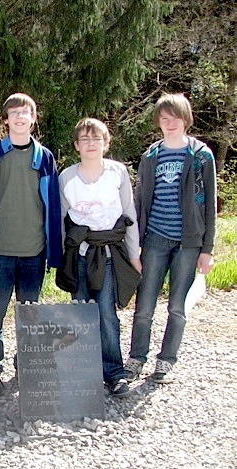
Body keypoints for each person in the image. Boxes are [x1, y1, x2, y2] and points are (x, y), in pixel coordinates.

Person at [0, 93, 63, 397]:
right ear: (5, 120)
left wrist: (53, 251)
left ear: (33, 119)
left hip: (33, 252)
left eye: (25, 113)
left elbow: (52, 206)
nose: (20, 117)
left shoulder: (46, 158)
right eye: (14, 113)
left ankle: (26, 366)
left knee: (30, 318)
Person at [125, 93, 217, 384]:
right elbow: (140, 200)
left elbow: (210, 205)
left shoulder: (201, 155)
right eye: (164, 118)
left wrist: (207, 249)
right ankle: (136, 358)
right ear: (158, 122)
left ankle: (166, 361)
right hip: (155, 238)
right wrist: (135, 242)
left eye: (175, 117)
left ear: (185, 119)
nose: (170, 123)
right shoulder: (151, 156)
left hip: (188, 243)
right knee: (144, 306)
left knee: (177, 307)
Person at [56, 118, 142, 397]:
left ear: (106, 143)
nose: (90, 144)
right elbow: (61, 220)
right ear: (76, 145)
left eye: (96, 139)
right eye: (85, 139)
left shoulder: (117, 172)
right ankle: (84, 371)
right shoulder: (67, 177)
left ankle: (114, 373)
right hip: (79, 254)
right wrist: (61, 257)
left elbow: (129, 214)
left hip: (107, 255)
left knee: (106, 314)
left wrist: (134, 254)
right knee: (81, 313)